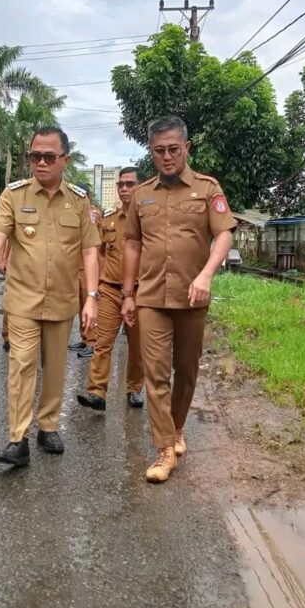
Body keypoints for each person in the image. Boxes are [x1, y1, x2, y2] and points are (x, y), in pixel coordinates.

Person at [0, 126, 101, 466]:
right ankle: (19, 439)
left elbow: (90, 252)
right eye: (34, 156)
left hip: (61, 300)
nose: (40, 163)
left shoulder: (79, 200)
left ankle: (48, 426)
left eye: (48, 157)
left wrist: (91, 297)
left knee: (55, 368)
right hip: (22, 300)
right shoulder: (14, 195)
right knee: (22, 365)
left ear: (65, 160)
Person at [121, 116, 235, 483]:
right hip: (151, 297)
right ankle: (164, 448)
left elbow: (223, 236)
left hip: (192, 296)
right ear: (151, 152)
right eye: (159, 151)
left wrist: (206, 275)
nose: (167, 157)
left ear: (186, 147)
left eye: (173, 149)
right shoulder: (142, 194)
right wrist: (127, 294)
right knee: (155, 375)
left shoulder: (207, 189)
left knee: (186, 371)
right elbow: (133, 244)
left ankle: (178, 426)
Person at [77, 167, 145, 412]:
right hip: (110, 290)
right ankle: (97, 392)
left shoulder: (148, 221)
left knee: (137, 346)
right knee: (103, 341)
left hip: (139, 293)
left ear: (141, 187)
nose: (124, 189)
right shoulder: (109, 221)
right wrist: (97, 288)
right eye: (121, 184)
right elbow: (101, 254)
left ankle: (134, 388)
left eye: (129, 184)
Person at [68, 184, 102, 358]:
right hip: (75, 266)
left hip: (87, 267)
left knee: (88, 303)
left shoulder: (92, 213)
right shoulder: (74, 211)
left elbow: (93, 245)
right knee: (80, 306)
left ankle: (92, 341)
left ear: (86, 195)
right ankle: (84, 338)